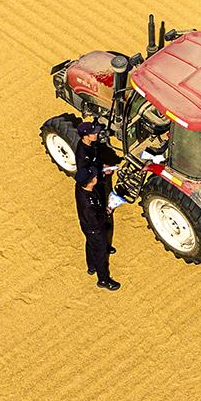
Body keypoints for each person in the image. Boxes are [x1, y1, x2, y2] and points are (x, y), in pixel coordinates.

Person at [74, 121, 120, 290]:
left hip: (92, 227)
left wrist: (101, 169)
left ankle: (91, 265)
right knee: (100, 253)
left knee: (92, 242)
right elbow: (94, 220)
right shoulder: (88, 202)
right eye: (94, 176)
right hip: (94, 228)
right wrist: (107, 211)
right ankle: (103, 280)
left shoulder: (85, 188)